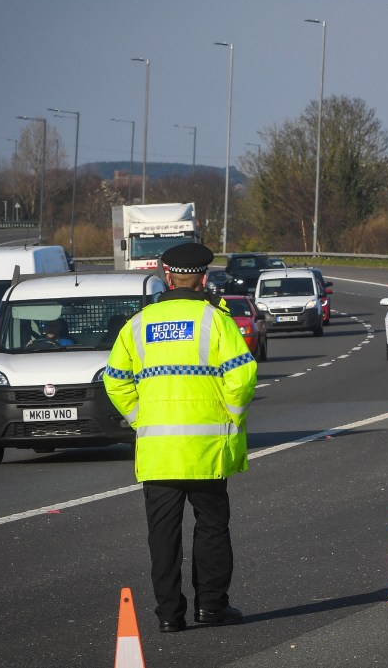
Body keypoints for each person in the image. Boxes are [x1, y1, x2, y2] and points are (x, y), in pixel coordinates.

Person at [104, 242, 257, 633]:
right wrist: (230, 419)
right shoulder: (216, 321)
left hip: (158, 452)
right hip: (206, 450)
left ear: (166, 277)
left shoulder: (138, 324)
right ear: (203, 278)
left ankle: (170, 615)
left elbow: (116, 381)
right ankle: (212, 606)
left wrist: (143, 419)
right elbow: (240, 378)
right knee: (211, 528)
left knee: (163, 536)